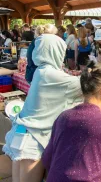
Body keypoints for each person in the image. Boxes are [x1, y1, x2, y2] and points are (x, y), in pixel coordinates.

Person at [2, 33, 84, 182]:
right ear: (54, 51)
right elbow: (85, 86)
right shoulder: (49, 73)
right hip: (32, 141)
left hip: (21, 135)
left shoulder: (40, 71)